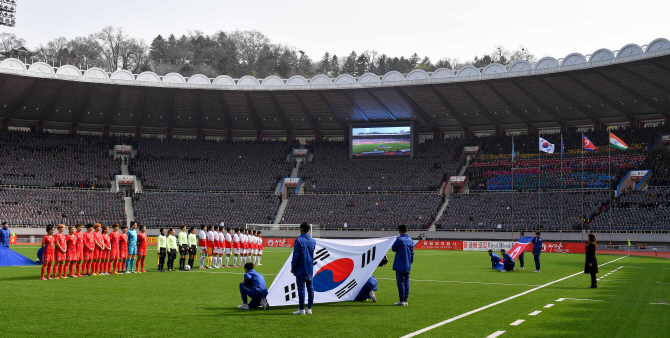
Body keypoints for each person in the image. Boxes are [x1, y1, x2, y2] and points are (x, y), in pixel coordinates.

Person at [291, 222, 316, 315]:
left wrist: (293, 267)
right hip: (309, 268)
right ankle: (309, 308)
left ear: (301, 229)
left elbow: (296, 255)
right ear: (309, 229)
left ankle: (301, 309)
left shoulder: (299, 240)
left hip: (301, 268)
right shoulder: (313, 241)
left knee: (301, 289)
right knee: (310, 288)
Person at [392, 224, 414, 306]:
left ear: (399, 231)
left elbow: (394, 249)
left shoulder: (400, 240)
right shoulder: (411, 240)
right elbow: (412, 254)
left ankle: (401, 300)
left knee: (400, 282)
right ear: (407, 230)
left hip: (400, 264)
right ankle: (405, 300)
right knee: (406, 282)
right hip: (407, 264)